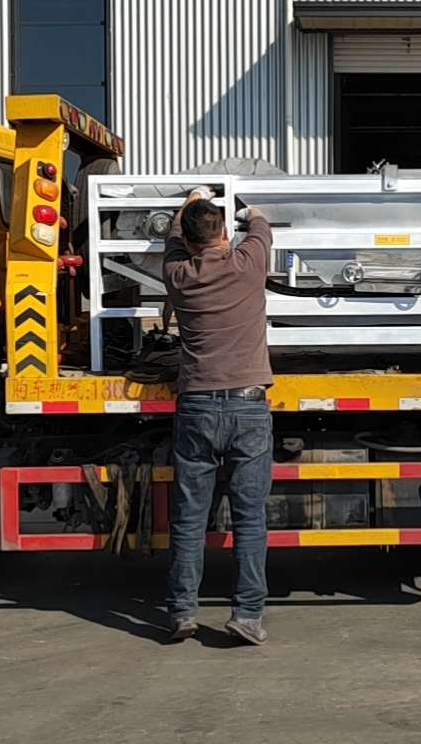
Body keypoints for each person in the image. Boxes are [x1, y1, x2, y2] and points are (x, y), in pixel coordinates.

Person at [161, 187, 274, 645]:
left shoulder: (178, 274)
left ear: (188, 243)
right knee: (249, 518)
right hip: (248, 406)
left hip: (197, 406)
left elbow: (174, 236)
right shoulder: (248, 264)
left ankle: (182, 612)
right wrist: (251, 211)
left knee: (189, 519)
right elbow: (260, 225)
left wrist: (191, 200)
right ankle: (246, 616)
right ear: (226, 232)